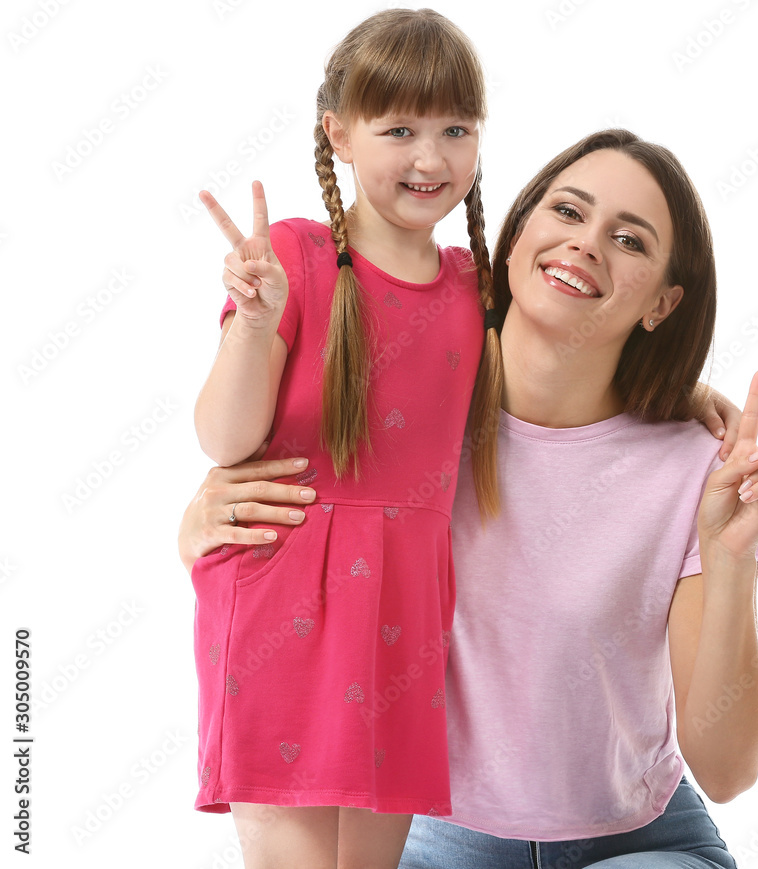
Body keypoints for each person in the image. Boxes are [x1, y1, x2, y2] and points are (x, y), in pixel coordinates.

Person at [181, 129, 758, 867]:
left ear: (664, 303)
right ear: (513, 243)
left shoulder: (695, 470)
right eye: (568, 212)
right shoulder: (399, 413)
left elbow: (730, 770)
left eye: (630, 240)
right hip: (429, 833)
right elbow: (284, 549)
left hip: (639, 841)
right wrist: (204, 526)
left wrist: (730, 560)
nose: (586, 244)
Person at [189, 9, 503, 868]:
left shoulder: (478, 291)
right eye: (398, 128)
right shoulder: (293, 254)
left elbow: (575, 362)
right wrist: (252, 326)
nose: (430, 158)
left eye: (455, 129)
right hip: (280, 587)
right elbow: (225, 437)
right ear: (339, 133)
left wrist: (692, 391)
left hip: (404, 607)